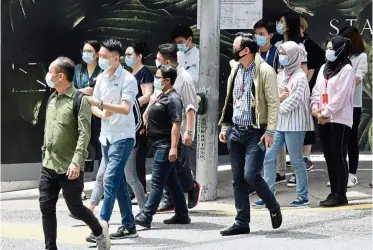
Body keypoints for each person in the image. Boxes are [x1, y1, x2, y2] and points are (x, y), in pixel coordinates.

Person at [40, 57, 110, 250]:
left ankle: (98, 230)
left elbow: (84, 134)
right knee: (46, 207)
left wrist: (76, 162)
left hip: (69, 166)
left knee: (76, 207)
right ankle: (50, 247)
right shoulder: (52, 98)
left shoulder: (80, 101)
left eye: (50, 72)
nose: (48, 75)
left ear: (60, 76)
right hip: (49, 164)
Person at [218, 32, 282, 236]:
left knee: (251, 175)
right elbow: (230, 100)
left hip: (257, 132)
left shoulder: (265, 71)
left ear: (245, 50)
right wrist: (225, 126)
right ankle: (241, 221)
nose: (233, 49)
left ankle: (272, 205)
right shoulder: (236, 69)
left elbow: (273, 103)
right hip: (236, 131)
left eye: (235, 46)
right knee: (237, 179)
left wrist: (270, 130)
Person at [86, 38, 139, 237]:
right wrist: (102, 112)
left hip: (123, 137)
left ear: (116, 59)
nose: (101, 59)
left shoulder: (128, 79)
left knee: (109, 180)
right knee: (118, 183)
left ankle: (100, 227)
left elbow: (125, 108)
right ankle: (129, 225)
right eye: (100, 56)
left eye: (105, 56)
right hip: (106, 137)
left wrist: (102, 105)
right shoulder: (101, 77)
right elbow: (93, 106)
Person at [254, 41, 315, 208]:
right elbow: (273, 97)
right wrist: (279, 100)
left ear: (294, 55)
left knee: (296, 161)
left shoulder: (301, 77)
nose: (281, 56)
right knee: (268, 157)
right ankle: (268, 194)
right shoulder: (280, 75)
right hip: (279, 124)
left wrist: (278, 104)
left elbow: (294, 102)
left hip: (295, 125)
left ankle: (303, 196)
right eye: (280, 52)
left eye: (284, 53)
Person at [134, 65, 191, 228]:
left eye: (157, 77)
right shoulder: (161, 96)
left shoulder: (173, 99)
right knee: (171, 181)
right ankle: (182, 214)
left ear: (167, 80)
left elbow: (176, 125)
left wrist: (173, 148)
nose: (155, 80)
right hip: (158, 144)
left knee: (157, 181)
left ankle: (146, 215)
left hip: (166, 146)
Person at [150, 44, 200, 213]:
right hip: (163, 130)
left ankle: (191, 186)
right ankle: (171, 201)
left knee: (177, 166)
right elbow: (155, 97)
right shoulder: (163, 76)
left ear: (169, 61)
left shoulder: (184, 79)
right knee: (168, 166)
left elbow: (190, 107)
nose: (157, 62)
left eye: (159, 59)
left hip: (178, 128)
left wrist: (189, 131)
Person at [311, 36, 355, 207]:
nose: (328, 50)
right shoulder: (324, 67)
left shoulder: (347, 69)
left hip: (339, 119)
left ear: (340, 50)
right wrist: (316, 110)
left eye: (331, 48)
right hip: (323, 119)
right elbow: (316, 90)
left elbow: (341, 96)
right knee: (329, 156)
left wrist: (326, 113)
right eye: (327, 47)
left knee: (338, 155)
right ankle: (333, 192)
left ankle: (341, 194)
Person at [276, 12, 309, 188]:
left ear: (289, 25)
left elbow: (303, 71)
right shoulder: (278, 44)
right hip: (280, 93)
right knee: (274, 147)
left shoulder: (299, 46)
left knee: (295, 148)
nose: (279, 25)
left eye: (281, 22)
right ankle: (278, 172)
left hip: (292, 96)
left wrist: (287, 81)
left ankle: (300, 183)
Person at [254, 19, 286, 186]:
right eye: (256, 34)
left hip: (273, 98)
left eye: (262, 34)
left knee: (275, 133)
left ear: (270, 35)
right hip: (258, 99)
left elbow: (281, 75)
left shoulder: (277, 53)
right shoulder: (254, 54)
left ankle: (280, 170)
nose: (258, 37)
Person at [337, 26, 368, 188]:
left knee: (351, 140)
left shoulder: (361, 56)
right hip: (337, 104)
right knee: (339, 141)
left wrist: (339, 83)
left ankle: (352, 174)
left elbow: (358, 79)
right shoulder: (339, 56)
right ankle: (340, 175)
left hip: (353, 104)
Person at [71, 40, 102, 202]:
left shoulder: (103, 70)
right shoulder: (77, 70)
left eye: (89, 51)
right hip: (81, 115)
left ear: (97, 54)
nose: (86, 54)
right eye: (84, 51)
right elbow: (69, 90)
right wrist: (81, 91)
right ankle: (78, 188)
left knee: (102, 151)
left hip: (100, 115)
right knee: (80, 150)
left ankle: (101, 187)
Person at [124, 41, 154, 203]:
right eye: (125, 55)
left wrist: (131, 104)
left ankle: (140, 190)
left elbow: (148, 95)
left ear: (139, 56)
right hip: (129, 118)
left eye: (129, 54)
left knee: (137, 157)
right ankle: (130, 191)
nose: (126, 57)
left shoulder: (144, 73)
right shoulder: (129, 74)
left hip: (139, 120)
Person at [299, 16, 325, 174]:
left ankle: (306, 158)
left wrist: (303, 88)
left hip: (308, 92)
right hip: (299, 91)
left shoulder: (309, 46)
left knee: (307, 123)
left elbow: (311, 70)